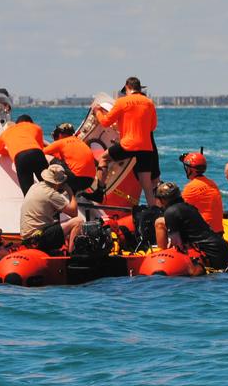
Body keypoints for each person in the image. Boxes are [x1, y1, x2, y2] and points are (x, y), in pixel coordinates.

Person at [92, 76, 159, 205]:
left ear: (127, 87)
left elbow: (106, 122)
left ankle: (99, 192)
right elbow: (153, 127)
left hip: (128, 145)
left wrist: (98, 111)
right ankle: (153, 212)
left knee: (104, 158)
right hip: (146, 148)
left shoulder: (122, 102)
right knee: (147, 186)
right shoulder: (149, 103)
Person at [153, 181, 228, 270]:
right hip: (225, 249)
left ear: (163, 200)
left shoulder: (170, 212)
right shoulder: (189, 207)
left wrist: (165, 255)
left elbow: (177, 244)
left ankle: (160, 255)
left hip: (211, 255)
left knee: (159, 222)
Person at [20, 164, 82, 253]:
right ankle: (72, 255)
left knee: (60, 223)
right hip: (38, 238)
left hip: (27, 238)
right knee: (78, 221)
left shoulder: (34, 186)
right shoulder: (51, 194)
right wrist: (70, 191)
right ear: (59, 183)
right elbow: (74, 213)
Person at [0, 114, 47, 194]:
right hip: (37, 153)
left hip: (20, 157)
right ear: (31, 123)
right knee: (49, 184)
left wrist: (9, 152)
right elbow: (40, 147)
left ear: (16, 123)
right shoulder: (36, 127)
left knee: (28, 191)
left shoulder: (7, 131)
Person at [43, 122, 98, 195]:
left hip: (76, 180)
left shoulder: (61, 142)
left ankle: (52, 187)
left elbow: (42, 152)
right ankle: (71, 193)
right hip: (89, 182)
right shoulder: (80, 142)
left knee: (46, 157)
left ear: (60, 134)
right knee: (71, 166)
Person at [178, 151, 224, 233]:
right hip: (218, 233)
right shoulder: (212, 183)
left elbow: (178, 211)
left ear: (189, 169)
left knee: (161, 221)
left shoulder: (191, 187)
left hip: (204, 234)